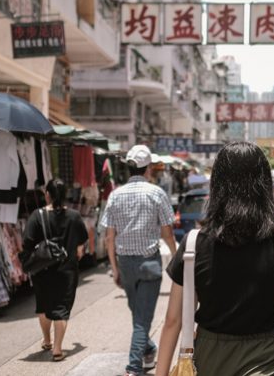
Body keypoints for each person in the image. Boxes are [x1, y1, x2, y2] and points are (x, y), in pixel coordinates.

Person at [156, 141, 274, 376]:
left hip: (210, 359)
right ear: (265, 185)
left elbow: (172, 321)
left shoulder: (193, 245)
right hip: (267, 359)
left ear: (217, 184)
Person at [100, 145, 178, 376]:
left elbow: (109, 237)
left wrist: (115, 268)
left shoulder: (116, 194)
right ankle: (134, 368)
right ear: (149, 168)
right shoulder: (156, 193)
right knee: (142, 319)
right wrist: (176, 259)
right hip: (149, 263)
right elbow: (167, 233)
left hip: (125, 263)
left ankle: (148, 351)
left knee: (139, 316)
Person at [22, 179, 88, 362]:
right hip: (67, 270)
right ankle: (58, 349)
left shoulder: (37, 215)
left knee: (43, 305)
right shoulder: (74, 216)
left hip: (42, 269)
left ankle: (46, 340)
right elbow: (81, 244)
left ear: (47, 195)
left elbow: (27, 241)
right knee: (62, 308)